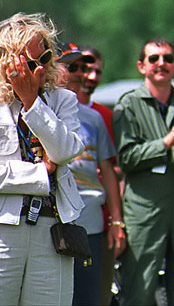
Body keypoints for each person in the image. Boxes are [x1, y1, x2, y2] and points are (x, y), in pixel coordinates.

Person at [0, 12, 85, 305]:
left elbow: (65, 151)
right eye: (29, 63)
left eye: (45, 58)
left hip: (52, 229)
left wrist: (31, 102)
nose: (39, 70)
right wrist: (42, 174)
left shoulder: (64, 100)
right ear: (5, 62)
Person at [113, 38, 174, 306]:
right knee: (139, 289)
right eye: (154, 58)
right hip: (144, 209)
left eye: (168, 59)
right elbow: (127, 158)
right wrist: (167, 142)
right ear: (141, 66)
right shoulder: (128, 104)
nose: (161, 64)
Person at [57, 43, 126, 306]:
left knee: (88, 297)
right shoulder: (37, 112)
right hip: (52, 222)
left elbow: (108, 170)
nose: (79, 74)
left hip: (91, 222)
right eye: (71, 67)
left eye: (83, 68)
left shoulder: (94, 118)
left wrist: (117, 222)